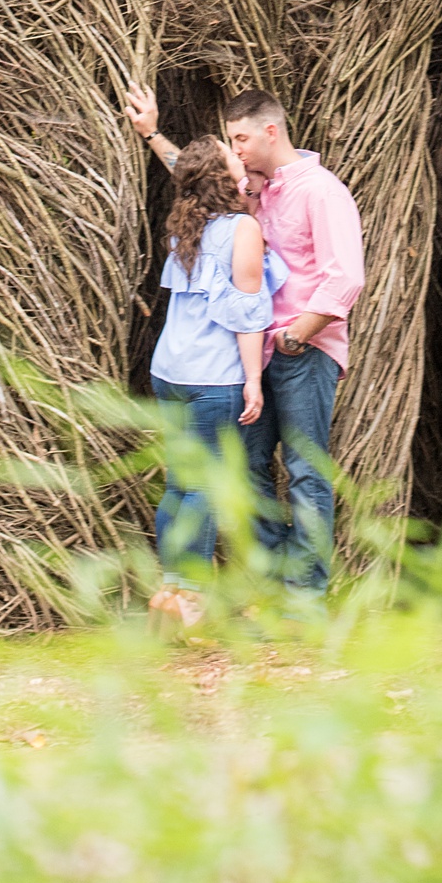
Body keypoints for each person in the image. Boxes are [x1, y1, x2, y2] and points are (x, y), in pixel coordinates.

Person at [128, 82, 366, 596]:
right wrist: (152, 134)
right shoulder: (253, 190)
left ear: (270, 131)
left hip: (303, 351)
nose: (234, 150)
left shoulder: (321, 191)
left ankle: (304, 598)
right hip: (249, 359)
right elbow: (196, 177)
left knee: (304, 471)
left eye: (239, 139)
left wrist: (294, 337)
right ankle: (271, 590)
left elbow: (345, 278)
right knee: (252, 473)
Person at [140, 130, 285, 590]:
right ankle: (192, 598)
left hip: (169, 372)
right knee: (205, 488)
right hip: (211, 378)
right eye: (230, 153)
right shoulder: (243, 229)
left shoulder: (187, 225)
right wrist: (253, 380)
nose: (237, 153)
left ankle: (170, 590)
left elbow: (187, 166)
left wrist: (151, 131)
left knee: (179, 485)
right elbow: (247, 314)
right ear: (223, 175)